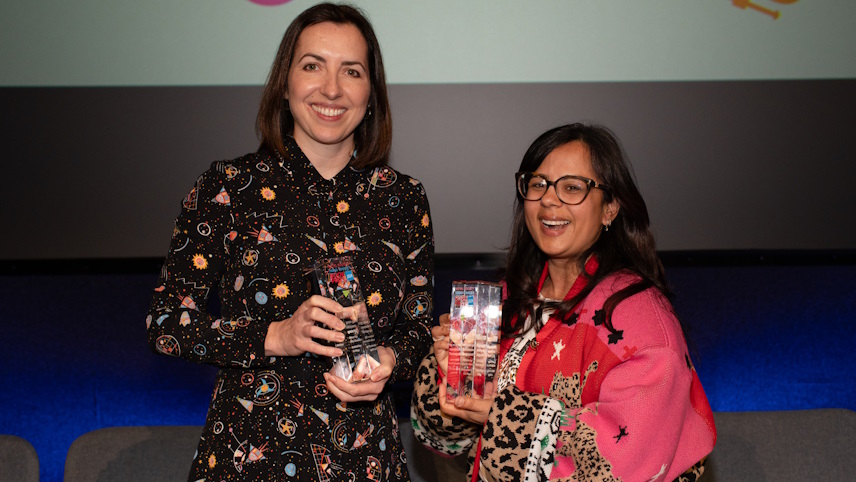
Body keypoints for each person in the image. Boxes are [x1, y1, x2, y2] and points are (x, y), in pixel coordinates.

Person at [146, 4, 434, 480]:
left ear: (371, 93)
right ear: (285, 83)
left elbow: (419, 330)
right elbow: (165, 322)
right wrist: (275, 336)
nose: (332, 89)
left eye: (352, 71)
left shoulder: (402, 198)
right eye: (312, 66)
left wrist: (390, 359)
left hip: (365, 461)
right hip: (248, 458)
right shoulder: (229, 186)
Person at [411, 123, 715, 481]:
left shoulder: (640, 319)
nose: (549, 200)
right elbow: (446, 445)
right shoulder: (511, 298)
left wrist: (503, 415)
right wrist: (456, 379)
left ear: (611, 208)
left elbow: (623, 465)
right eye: (538, 184)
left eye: (572, 187)